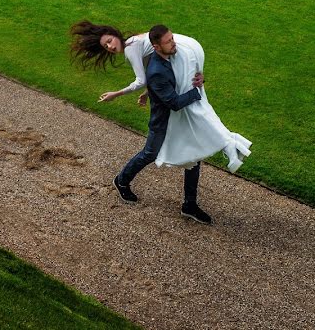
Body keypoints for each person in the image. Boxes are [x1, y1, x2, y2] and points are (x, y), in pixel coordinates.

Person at [69, 21, 252, 224]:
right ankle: (121, 181)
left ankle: (189, 204)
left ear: (114, 34)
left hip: (174, 110)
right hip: (164, 117)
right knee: (150, 153)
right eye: (106, 46)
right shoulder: (141, 54)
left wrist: (196, 79)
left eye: (110, 41)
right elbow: (155, 84)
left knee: (195, 155)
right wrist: (195, 91)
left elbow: (161, 77)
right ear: (157, 46)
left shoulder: (154, 53)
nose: (111, 47)